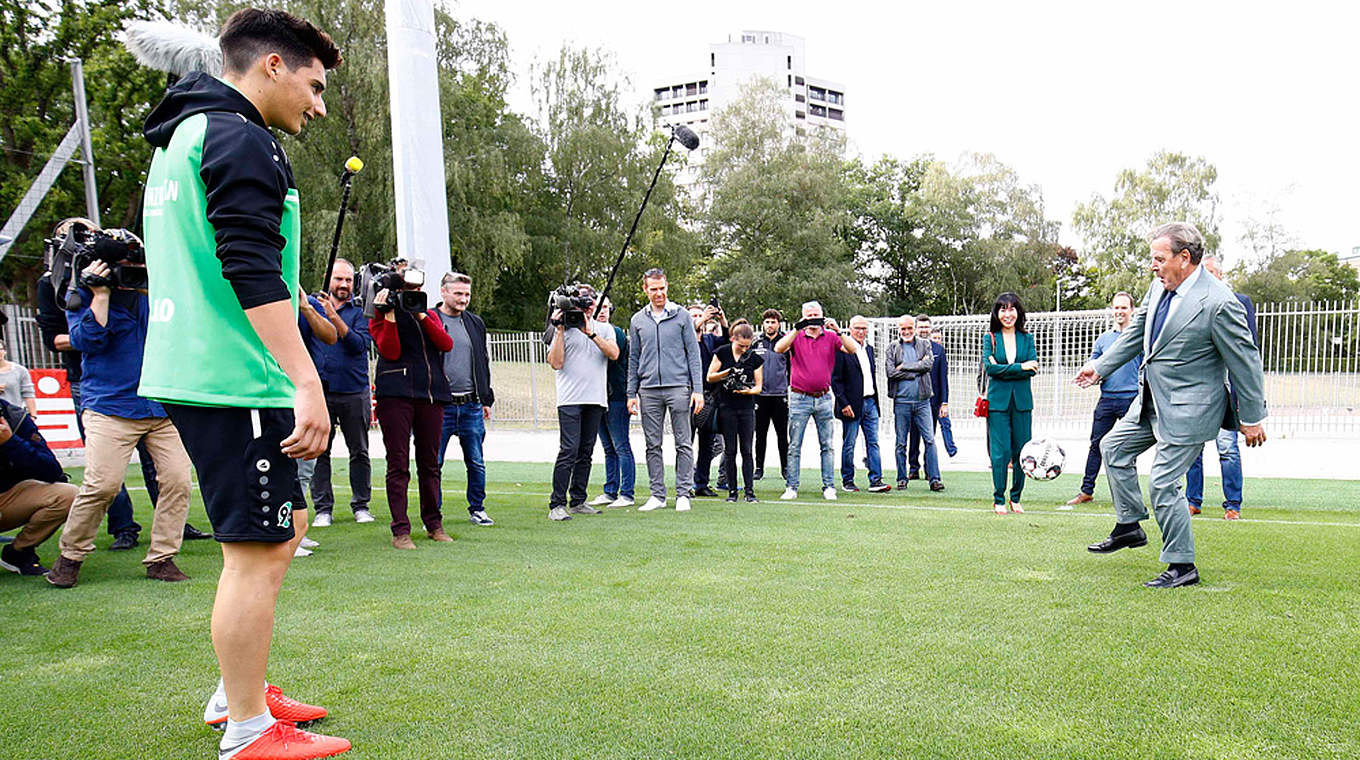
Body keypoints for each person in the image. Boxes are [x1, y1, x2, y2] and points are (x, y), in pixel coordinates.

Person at [136, 9, 349, 756]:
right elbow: (249, 266)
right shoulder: (238, 136)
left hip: (203, 368)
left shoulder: (185, 134)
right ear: (271, 66)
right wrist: (306, 380)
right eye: (314, 86)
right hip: (233, 374)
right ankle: (248, 728)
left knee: (284, 527)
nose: (318, 106)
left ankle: (242, 690)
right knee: (252, 553)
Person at [1077, 222, 1267, 589]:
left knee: (1163, 483)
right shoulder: (1159, 286)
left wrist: (1253, 416)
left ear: (1184, 258)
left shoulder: (1219, 302)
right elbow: (1136, 333)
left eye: (1159, 258)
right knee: (1112, 448)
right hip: (1151, 401)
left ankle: (1182, 565)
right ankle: (1130, 526)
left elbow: (1245, 362)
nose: (1153, 266)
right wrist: (1100, 367)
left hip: (1191, 409)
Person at [47, 252, 194, 587]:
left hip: (161, 406)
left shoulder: (158, 293)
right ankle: (70, 556)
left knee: (177, 480)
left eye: (139, 266)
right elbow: (86, 342)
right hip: (110, 406)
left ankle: (162, 558)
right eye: (126, 268)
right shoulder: (84, 293)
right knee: (102, 485)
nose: (133, 273)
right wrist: (100, 295)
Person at [370, 276, 454, 548]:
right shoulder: (378, 315)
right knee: (398, 463)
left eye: (417, 290)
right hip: (395, 395)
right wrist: (391, 315)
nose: (413, 294)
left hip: (431, 395)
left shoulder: (428, 313)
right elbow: (390, 351)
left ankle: (434, 524)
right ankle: (400, 530)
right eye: (407, 291)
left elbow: (445, 344)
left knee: (430, 463)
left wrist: (421, 315)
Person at [1185, 254, 1258, 520]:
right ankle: (1192, 501)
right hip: (1199, 392)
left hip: (1227, 392)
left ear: (1221, 275)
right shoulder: (1190, 304)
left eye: (1212, 272)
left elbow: (1248, 353)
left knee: (1227, 449)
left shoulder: (1238, 302)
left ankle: (1233, 505)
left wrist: (1247, 402)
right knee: (1193, 450)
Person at [626, 268, 703, 513]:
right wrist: (630, 393)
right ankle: (657, 494)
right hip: (648, 390)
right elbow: (634, 358)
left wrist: (697, 389)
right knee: (652, 444)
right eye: (653, 289)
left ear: (667, 287)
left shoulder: (682, 316)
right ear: (645, 289)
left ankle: (683, 493)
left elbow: (694, 355)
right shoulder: (637, 320)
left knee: (683, 443)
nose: (658, 293)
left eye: (662, 288)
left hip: (679, 387)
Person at [545, 284, 618, 520]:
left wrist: (591, 333)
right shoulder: (561, 328)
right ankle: (557, 504)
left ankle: (578, 500)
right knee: (569, 449)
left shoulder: (604, 328)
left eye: (589, 304)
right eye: (580, 304)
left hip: (595, 398)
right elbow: (555, 363)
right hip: (569, 399)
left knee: (586, 451)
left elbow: (614, 354)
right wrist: (559, 330)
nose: (585, 309)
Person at [311, 258, 374, 528]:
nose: (344, 285)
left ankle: (361, 505)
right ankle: (323, 508)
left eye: (349, 280)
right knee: (319, 451)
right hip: (320, 390)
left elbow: (359, 345)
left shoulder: (360, 312)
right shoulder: (311, 307)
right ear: (328, 278)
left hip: (353, 390)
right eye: (339, 279)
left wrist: (333, 316)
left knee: (358, 451)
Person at [775, 301, 858, 501]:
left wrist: (838, 331)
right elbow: (779, 348)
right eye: (809, 315)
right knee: (794, 445)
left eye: (816, 314)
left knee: (827, 445)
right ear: (804, 316)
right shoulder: (796, 336)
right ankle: (791, 486)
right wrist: (797, 328)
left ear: (822, 315)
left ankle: (829, 486)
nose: (813, 318)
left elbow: (852, 349)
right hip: (799, 397)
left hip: (823, 397)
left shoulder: (830, 337)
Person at [1064, 292, 1140, 509]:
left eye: (1124, 308)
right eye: (1116, 308)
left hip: (1131, 400)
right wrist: (1089, 376)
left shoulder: (1138, 338)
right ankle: (1086, 491)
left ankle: (1127, 495)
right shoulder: (1103, 340)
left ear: (1131, 311)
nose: (1119, 312)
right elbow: (1094, 366)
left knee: (1127, 449)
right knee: (1096, 445)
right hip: (1107, 400)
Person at [434, 272, 497, 527]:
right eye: (458, 293)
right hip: (440, 407)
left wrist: (486, 398)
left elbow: (482, 360)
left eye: (467, 294)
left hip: (471, 405)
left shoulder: (475, 323)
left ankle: (478, 509)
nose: (463, 299)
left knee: (476, 462)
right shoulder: (430, 319)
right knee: (433, 463)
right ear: (444, 292)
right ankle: (433, 512)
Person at [0, 398, 77, 576]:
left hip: (7, 498)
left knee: (67, 495)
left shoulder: (13, 416)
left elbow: (52, 471)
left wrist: (10, 443)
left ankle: (18, 552)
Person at [291, 289, 337, 557]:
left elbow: (330, 336)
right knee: (282, 466)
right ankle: (285, 534)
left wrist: (306, 308)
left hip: (306, 392)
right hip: (276, 391)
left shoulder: (305, 301)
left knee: (305, 466)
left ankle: (296, 530)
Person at [982, 293, 1037, 514]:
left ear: (1018, 312)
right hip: (998, 404)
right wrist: (1019, 367)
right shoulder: (991, 338)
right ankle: (999, 498)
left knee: (1021, 452)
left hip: (1022, 403)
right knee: (1000, 452)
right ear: (997, 313)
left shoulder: (1028, 338)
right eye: (1003, 309)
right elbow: (990, 369)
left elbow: (1032, 368)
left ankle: (1016, 497)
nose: (1007, 314)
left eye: (1012, 309)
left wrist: (1007, 369)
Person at [885, 315, 944, 492]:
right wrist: (913, 371)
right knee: (901, 442)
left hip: (923, 402)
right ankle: (902, 478)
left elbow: (928, 365)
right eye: (903, 329)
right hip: (901, 402)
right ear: (899, 329)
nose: (907, 332)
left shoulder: (925, 344)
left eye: (909, 328)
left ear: (914, 327)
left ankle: (934, 479)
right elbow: (890, 373)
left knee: (930, 440)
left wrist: (903, 367)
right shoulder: (892, 348)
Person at [586, 298, 635, 509]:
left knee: (621, 445)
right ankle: (610, 490)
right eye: (598, 307)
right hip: (597, 396)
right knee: (608, 447)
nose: (602, 311)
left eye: (605, 307)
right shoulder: (587, 333)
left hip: (616, 396)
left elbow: (613, 354)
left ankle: (627, 493)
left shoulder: (616, 333)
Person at [707, 322, 763, 502]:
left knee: (747, 449)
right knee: (730, 450)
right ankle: (732, 492)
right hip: (726, 406)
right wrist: (728, 372)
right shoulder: (722, 352)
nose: (744, 349)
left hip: (746, 407)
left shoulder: (754, 358)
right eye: (741, 346)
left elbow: (759, 386)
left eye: (748, 346)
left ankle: (749, 491)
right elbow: (710, 376)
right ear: (733, 339)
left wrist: (749, 390)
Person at [832, 316, 889, 493]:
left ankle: (876, 480)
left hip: (870, 402)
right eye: (857, 328)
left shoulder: (870, 350)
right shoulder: (842, 350)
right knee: (849, 443)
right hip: (851, 405)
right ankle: (847, 480)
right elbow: (835, 380)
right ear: (849, 328)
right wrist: (843, 403)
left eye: (864, 328)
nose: (861, 331)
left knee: (873, 442)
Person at [908, 314, 958, 473]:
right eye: (921, 327)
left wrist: (944, 402)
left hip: (933, 401)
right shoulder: (907, 348)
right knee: (913, 436)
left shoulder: (939, 350)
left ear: (930, 328)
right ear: (916, 329)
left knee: (929, 437)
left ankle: (929, 469)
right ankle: (913, 468)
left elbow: (943, 378)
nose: (924, 330)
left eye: (926, 327)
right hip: (912, 400)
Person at [689, 302, 728, 497]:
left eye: (700, 315)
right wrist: (703, 318)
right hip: (687, 396)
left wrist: (721, 318)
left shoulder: (710, 340)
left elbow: (728, 341)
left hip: (708, 398)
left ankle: (701, 483)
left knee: (707, 444)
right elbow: (690, 330)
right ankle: (685, 483)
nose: (699, 318)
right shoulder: (683, 341)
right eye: (694, 316)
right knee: (685, 442)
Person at [752, 309, 790, 482]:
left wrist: (784, 384)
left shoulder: (785, 343)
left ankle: (785, 468)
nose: (770, 325)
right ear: (763, 324)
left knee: (782, 434)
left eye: (773, 322)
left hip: (779, 395)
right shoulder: (756, 343)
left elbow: (791, 368)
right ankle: (758, 468)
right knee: (760, 434)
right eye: (767, 322)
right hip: (760, 396)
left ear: (778, 324)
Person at [0, 340, 36, 416]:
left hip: (14, 416)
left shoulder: (20, 370)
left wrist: (33, 416)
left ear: (5, 351)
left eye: (0, 349)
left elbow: (28, 394)